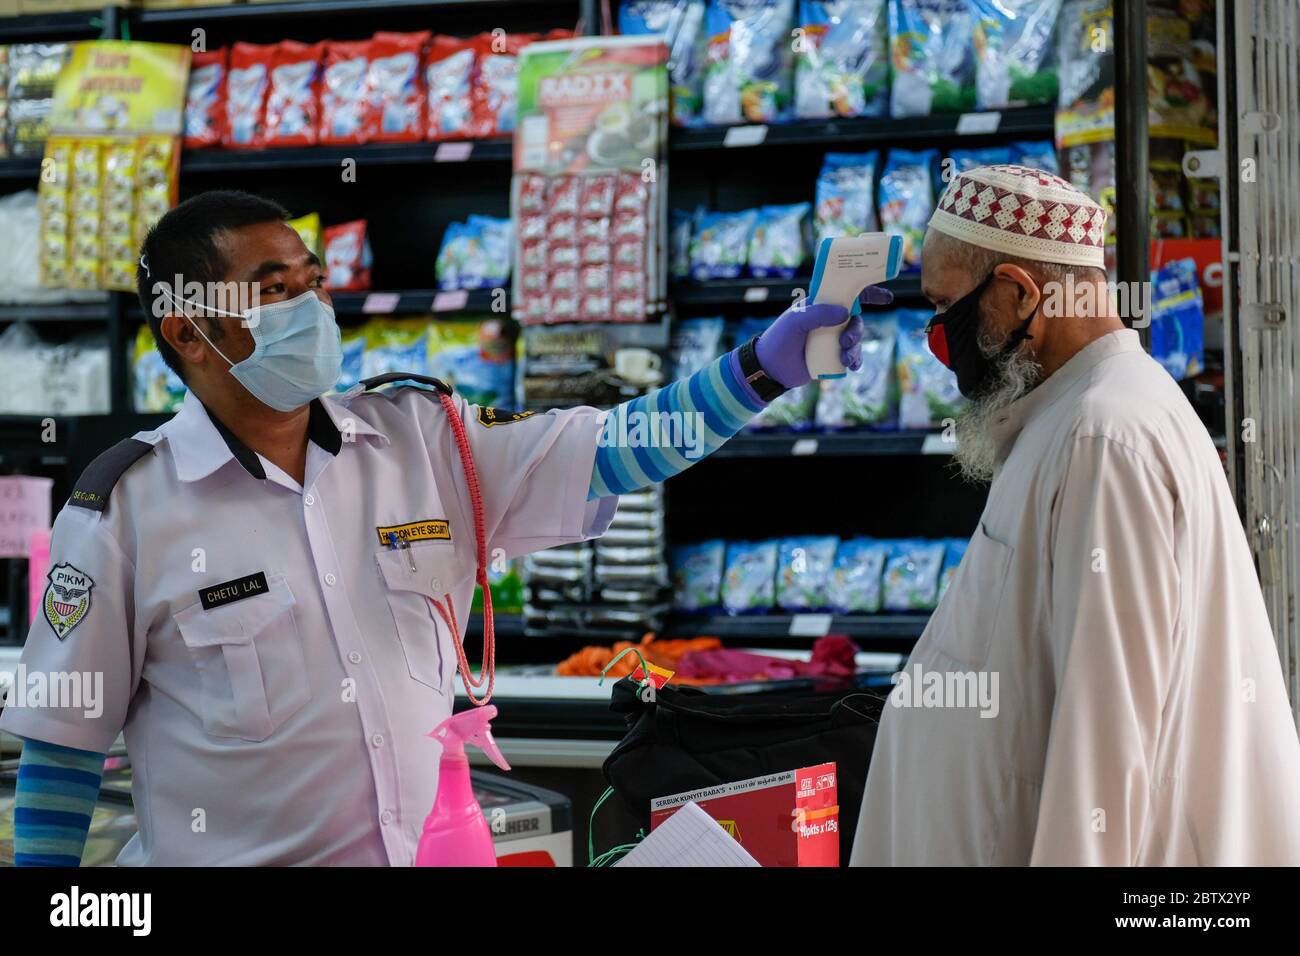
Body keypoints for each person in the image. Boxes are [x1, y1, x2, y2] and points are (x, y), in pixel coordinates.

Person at [2, 189, 888, 866]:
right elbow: (62, 749)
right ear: (187, 331)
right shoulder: (128, 505)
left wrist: (763, 369)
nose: (310, 309)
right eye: (273, 293)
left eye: (312, 284)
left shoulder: (423, 440)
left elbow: (619, 449)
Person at [851, 164, 1300, 865]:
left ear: (1018, 292)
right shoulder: (1075, 414)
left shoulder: (1105, 438)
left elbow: (1109, 734)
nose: (939, 339)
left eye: (946, 309)